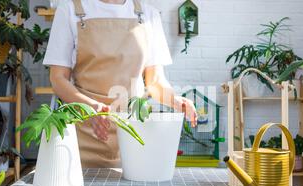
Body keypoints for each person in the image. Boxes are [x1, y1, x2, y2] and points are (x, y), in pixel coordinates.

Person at [43, 0, 197, 168]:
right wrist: (92, 107)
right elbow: (58, 79)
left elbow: (154, 81)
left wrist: (174, 99)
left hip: (133, 132)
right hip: (83, 129)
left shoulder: (148, 14)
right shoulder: (70, 10)